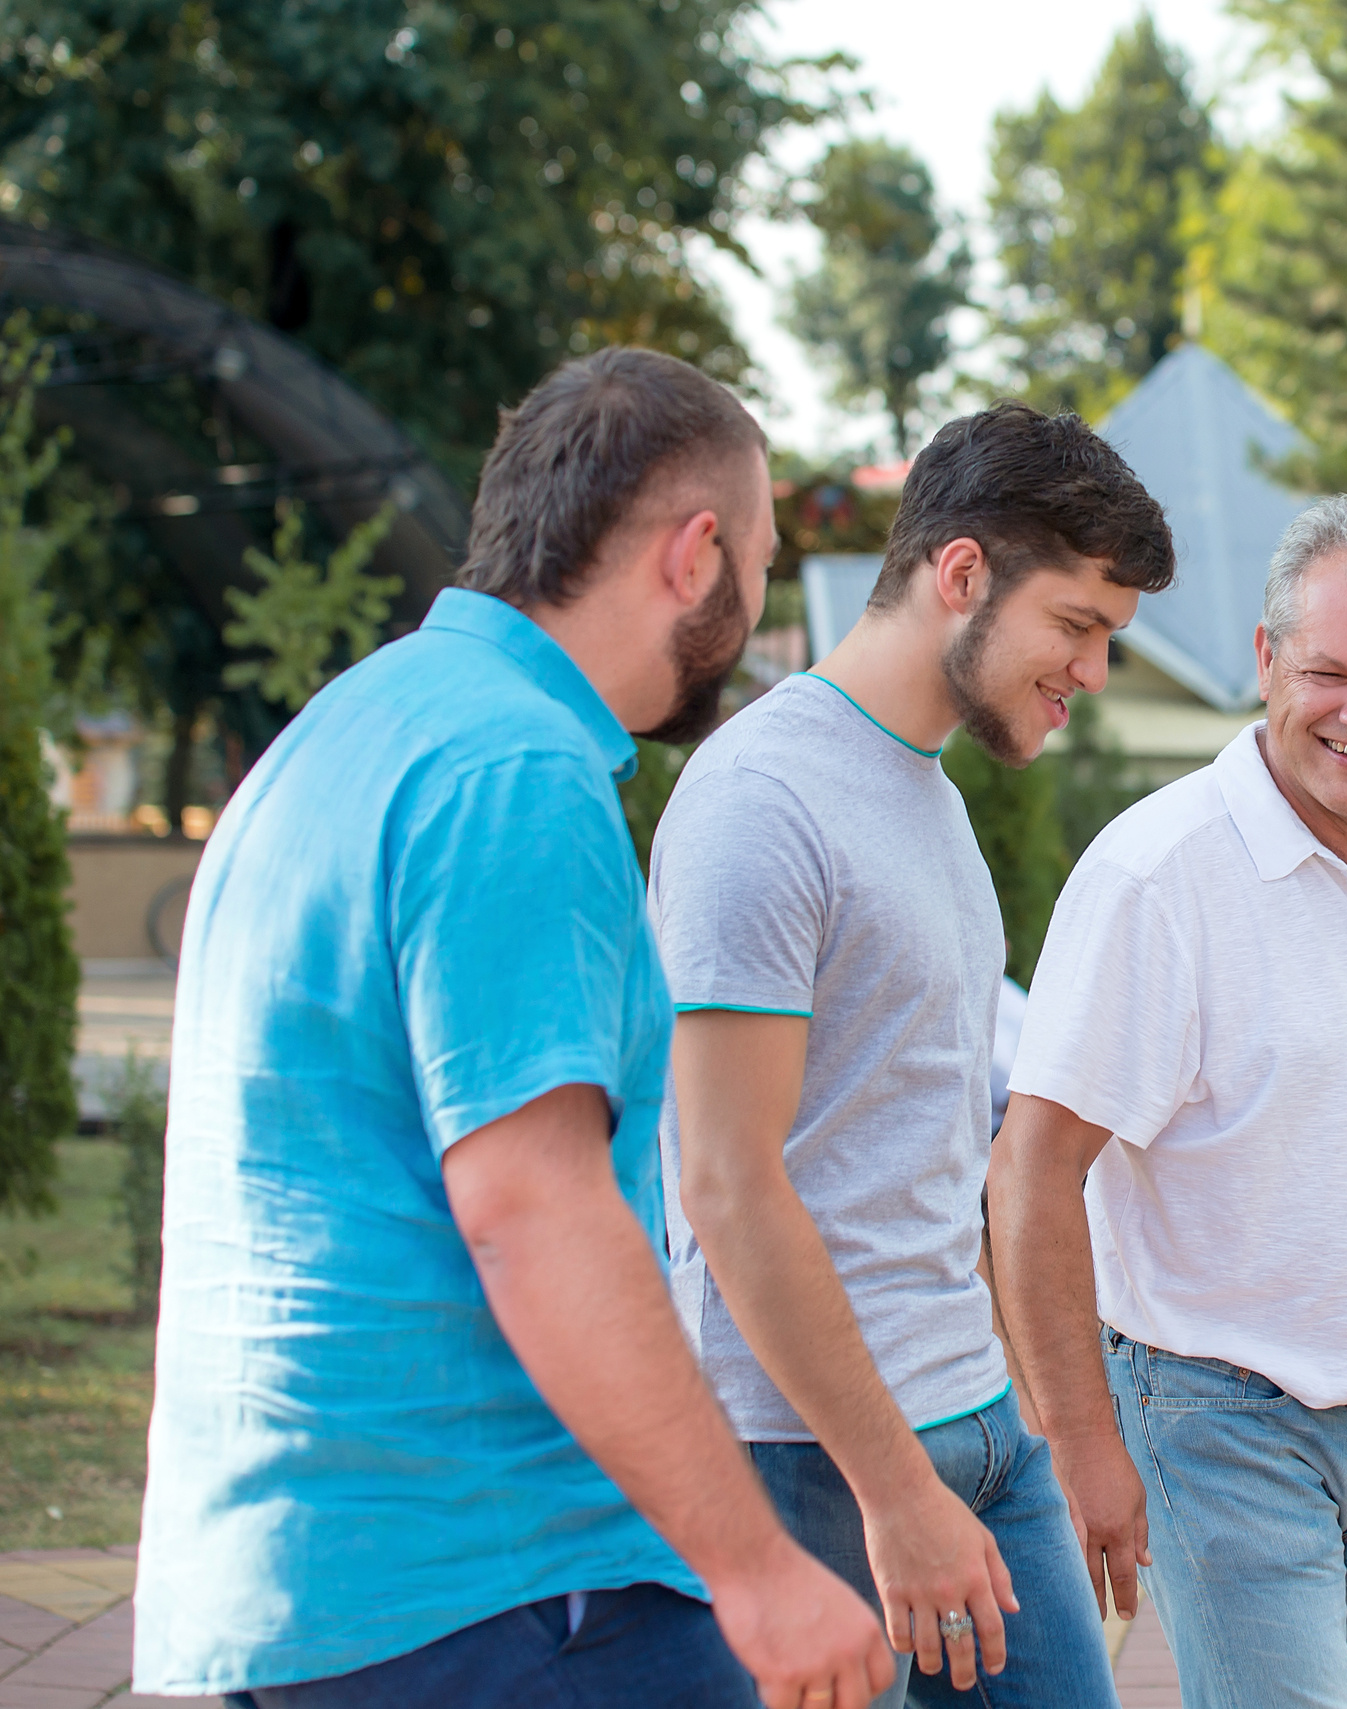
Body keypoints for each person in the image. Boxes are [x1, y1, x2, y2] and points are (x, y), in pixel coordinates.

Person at [132, 347, 894, 1709]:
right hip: (505, 1589)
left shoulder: (341, 736)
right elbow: (531, 1209)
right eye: (762, 564)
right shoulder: (515, 774)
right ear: (694, 553)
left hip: (292, 1586)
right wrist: (758, 1567)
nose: (759, 604)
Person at [989, 494, 1347, 1709]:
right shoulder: (1159, 874)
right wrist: (1081, 1438)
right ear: (1264, 659)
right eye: (1329, 673)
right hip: (1215, 1417)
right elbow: (1032, 1169)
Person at [650, 403, 1175, 1707]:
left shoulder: (929, 798)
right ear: (961, 576)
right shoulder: (760, 801)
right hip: (816, 1459)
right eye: (1079, 626)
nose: (1093, 672)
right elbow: (725, 1183)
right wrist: (894, 1488)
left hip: (983, 1428)